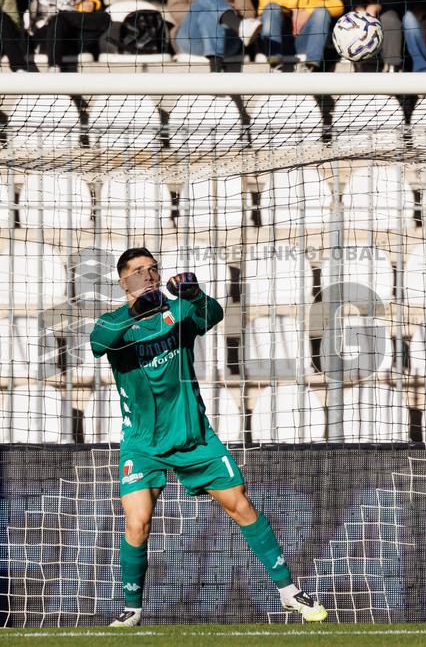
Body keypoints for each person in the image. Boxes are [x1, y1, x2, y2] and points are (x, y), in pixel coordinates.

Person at [90, 247, 328, 627]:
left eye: (153, 269)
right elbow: (98, 343)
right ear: (123, 281)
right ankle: (132, 609)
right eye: (139, 271)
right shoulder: (113, 321)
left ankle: (288, 592)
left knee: (241, 505)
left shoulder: (178, 310)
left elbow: (213, 315)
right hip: (142, 443)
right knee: (137, 522)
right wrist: (138, 310)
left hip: (194, 436)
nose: (149, 276)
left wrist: (196, 294)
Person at [167, 0, 258, 72]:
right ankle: (240, 26)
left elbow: (248, 12)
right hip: (192, 38)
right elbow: (175, 10)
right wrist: (204, 6)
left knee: (207, 16)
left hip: (227, 39)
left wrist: (227, 11)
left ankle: (215, 69)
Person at [257, 0, 347, 71]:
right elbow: (264, 4)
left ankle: (310, 67)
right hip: (279, 37)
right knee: (271, 9)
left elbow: (338, 3)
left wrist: (307, 12)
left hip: (307, 39)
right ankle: (275, 64)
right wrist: (291, 11)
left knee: (321, 13)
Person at [28, 0, 110, 72]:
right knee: (57, 20)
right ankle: (54, 67)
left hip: (72, 35)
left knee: (105, 18)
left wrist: (92, 3)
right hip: (45, 35)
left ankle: (62, 16)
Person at [343, 0, 404, 72]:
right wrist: (359, 9)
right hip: (361, 11)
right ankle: (357, 62)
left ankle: (392, 66)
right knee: (355, 23)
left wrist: (378, 6)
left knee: (390, 21)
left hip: (386, 9)